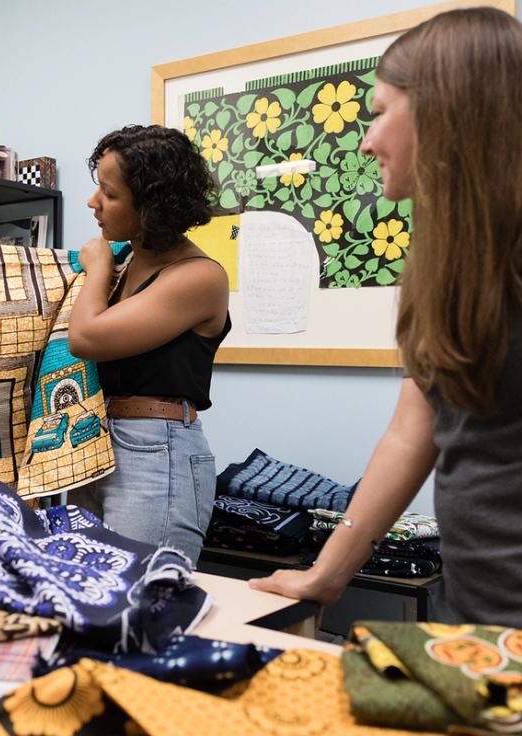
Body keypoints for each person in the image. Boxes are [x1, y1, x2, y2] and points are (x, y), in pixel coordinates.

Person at [251, 7, 522, 627]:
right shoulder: (449, 262)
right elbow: (412, 432)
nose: (367, 140)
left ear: (444, 110)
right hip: (476, 614)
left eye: (377, 112)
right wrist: (328, 572)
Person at [68, 125, 230, 564]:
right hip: (94, 442)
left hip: (156, 453)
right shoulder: (126, 263)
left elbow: (85, 338)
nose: (92, 202)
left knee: (140, 598)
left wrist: (99, 265)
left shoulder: (200, 277)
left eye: (109, 193)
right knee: (89, 594)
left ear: (153, 206)